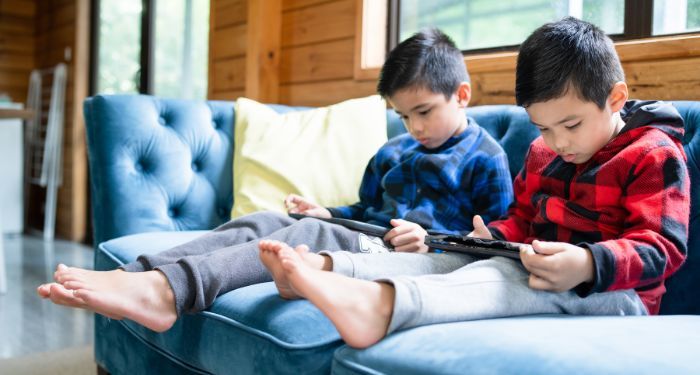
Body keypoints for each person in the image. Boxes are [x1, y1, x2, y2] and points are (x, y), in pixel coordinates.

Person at [37, 28, 513, 333]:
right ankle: (136, 275)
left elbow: (496, 240)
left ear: (462, 95)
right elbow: (364, 211)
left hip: (411, 257)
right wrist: (328, 211)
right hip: (369, 236)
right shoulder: (394, 152)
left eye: (424, 112)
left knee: (307, 237)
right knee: (268, 218)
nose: (415, 128)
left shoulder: (485, 157)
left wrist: (432, 240)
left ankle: (167, 293)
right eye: (404, 116)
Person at [258, 16, 691, 349]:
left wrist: (588, 264)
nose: (557, 143)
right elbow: (521, 218)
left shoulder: (652, 153)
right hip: (536, 267)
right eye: (542, 128)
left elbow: (663, 248)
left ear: (615, 98)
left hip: (618, 296)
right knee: (453, 255)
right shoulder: (545, 152)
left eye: (571, 124)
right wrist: (489, 238)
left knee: (505, 281)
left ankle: (380, 307)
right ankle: (328, 268)